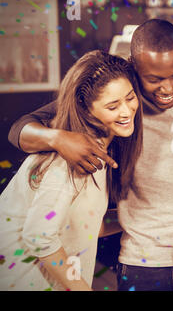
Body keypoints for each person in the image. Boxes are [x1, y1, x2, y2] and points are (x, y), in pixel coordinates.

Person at [7, 19, 173, 291]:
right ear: (134, 67)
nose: (168, 87)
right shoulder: (114, 92)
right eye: (154, 79)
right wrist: (59, 138)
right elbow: (19, 130)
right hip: (141, 263)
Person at [0, 50, 143, 291]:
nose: (127, 112)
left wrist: (136, 218)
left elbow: (85, 227)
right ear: (87, 110)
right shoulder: (69, 160)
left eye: (130, 98)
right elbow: (39, 238)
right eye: (113, 106)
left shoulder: (98, 151)